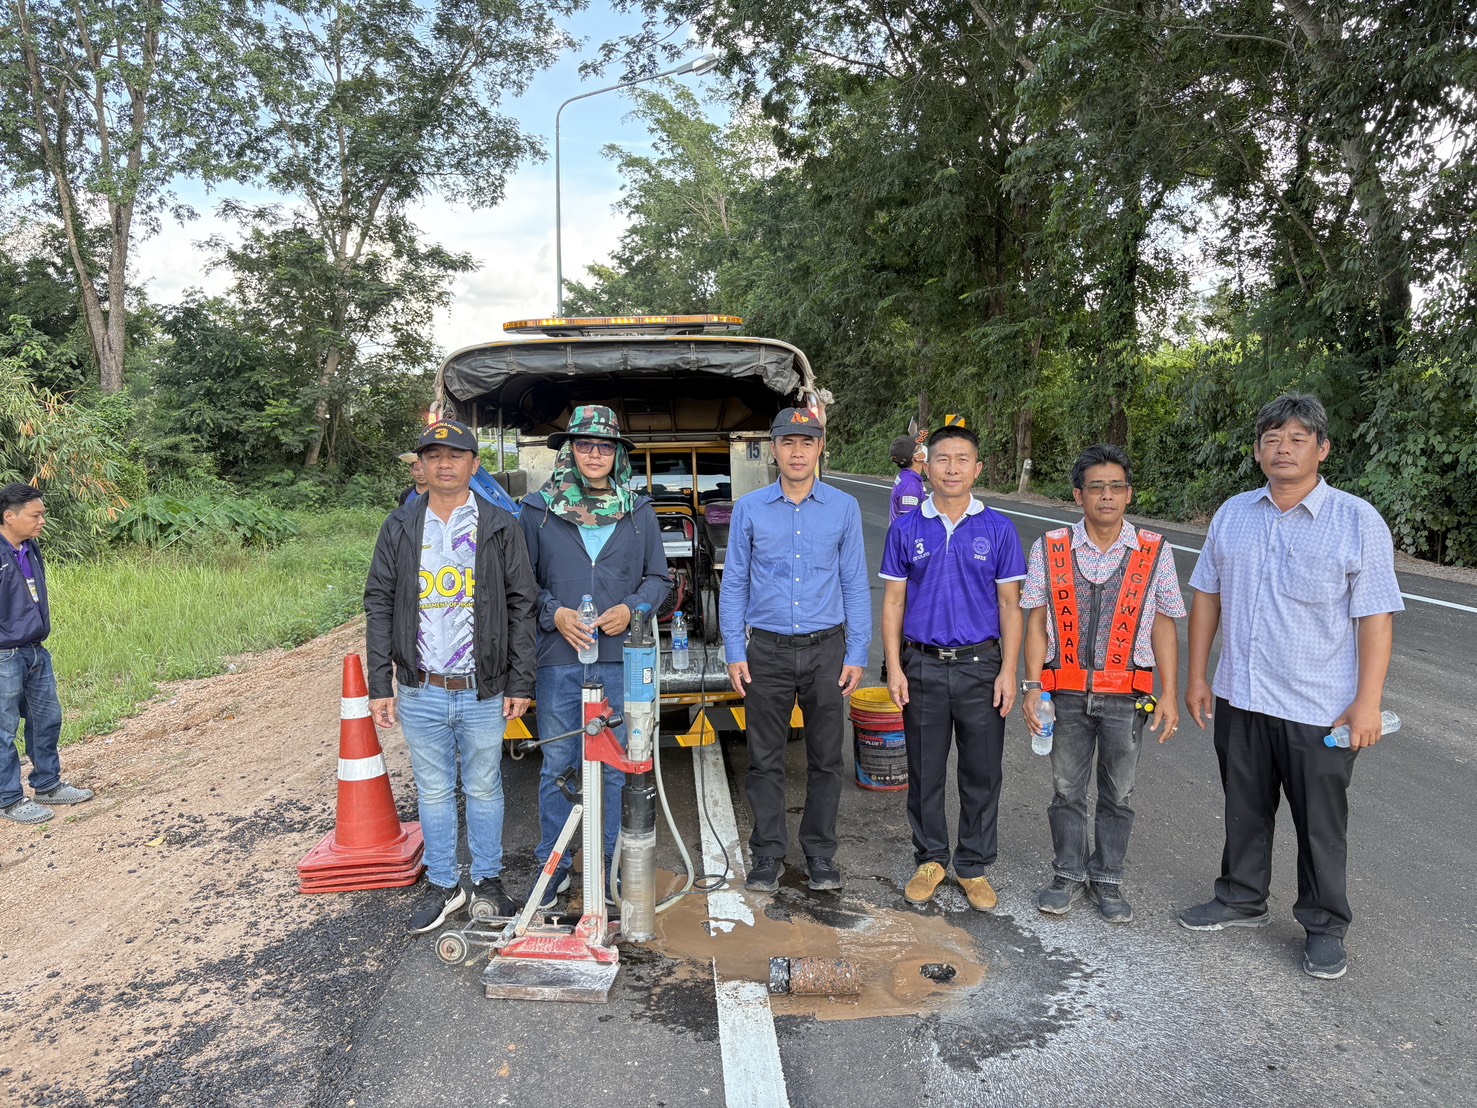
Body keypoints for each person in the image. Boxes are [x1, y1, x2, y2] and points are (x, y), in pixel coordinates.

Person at [1178, 393, 1403, 981]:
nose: (1283, 449)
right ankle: (1241, 897)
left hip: (1320, 707)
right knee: (1244, 807)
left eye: (1298, 439)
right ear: (1258, 451)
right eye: (1272, 439)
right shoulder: (1233, 514)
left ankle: (1324, 926)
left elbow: (1376, 616)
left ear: (1322, 449)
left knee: (1320, 822)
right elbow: (1208, 596)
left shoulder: (1356, 521)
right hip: (1241, 695)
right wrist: (1198, 676)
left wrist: (1368, 703)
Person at [364, 418, 538, 934]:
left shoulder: (499, 525)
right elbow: (378, 601)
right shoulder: (400, 525)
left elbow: (522, 603)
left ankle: (487, 880)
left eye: (455, 455)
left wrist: (520, 681)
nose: (444, 464)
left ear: (474, 465)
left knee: (484, 787)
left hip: (482, 687)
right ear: (421, 465)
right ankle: (443, 884)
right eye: (433, 455)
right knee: (434, 791)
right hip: (421, 687)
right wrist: (380, 683)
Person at [1019, 445, 1184, 923]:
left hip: (1127, 699)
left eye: (1116, 487)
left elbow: (1165, 624)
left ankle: (1108, 879)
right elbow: (1035, 623)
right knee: (1066, 789)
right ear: (1079, 495)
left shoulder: (1154, 550)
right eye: (1096, 487)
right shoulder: (1050, 547)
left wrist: (1169, 694)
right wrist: (1033, 687)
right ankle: (1067, 874)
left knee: (1119, 793)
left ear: (1129, 494)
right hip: (1064, 695)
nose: (1106, 496)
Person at [519, 405, 670, 907]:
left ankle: (607, 867)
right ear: (570, 451)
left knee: (614, 765)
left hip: (619, 659)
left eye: (605, 446)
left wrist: (632, 609)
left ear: (617, 455)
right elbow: (522, 583)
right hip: (559, 659)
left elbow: (659, 579)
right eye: (585, 445)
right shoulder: (538, 510)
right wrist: (555, 613)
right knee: (558, 764)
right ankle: (555, 868)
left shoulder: (637, 510)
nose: (595, 454)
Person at [721, 406, 871, 894]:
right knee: (763, 759)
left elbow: (854, 581)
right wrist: (734, 648)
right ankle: (767, 854)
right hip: (766, 651)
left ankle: (820, 854)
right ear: (774, 449)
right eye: (788, 442)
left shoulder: (844, 507)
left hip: (827, 650)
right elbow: (735, 581)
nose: (798, 452)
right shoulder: (749, 508)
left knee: (827, 759)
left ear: (820, 448)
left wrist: (857, 651)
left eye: (807, 443)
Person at [880, 424, 1025, 912]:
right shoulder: (906, 528)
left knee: (982, 771)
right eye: (942, 459)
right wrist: (895, 667)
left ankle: (973, 865)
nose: (952, 468)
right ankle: (931, 858)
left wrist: (1009, 671)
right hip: (921, 664)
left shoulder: (998, 529)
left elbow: (1010, 605)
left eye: (963, 459)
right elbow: (893, 602)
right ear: (927, 466)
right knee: (924, 770)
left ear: (977, 469)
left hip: (981, 666)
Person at [1, 484, 94, 825]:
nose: (42, 521)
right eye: (35, 515)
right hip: (4, 656)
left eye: (43, 514)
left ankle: (48, 785)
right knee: (3, 730)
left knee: (46, 720)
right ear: (9, 517)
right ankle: (9, 799)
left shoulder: (29, 547)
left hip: (35, 650)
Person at [889, 434, 926, 522]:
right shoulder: (910, 485)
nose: (923, 448)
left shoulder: (907, 477)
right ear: (915, 457)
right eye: (919, 447)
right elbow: (908, 525)